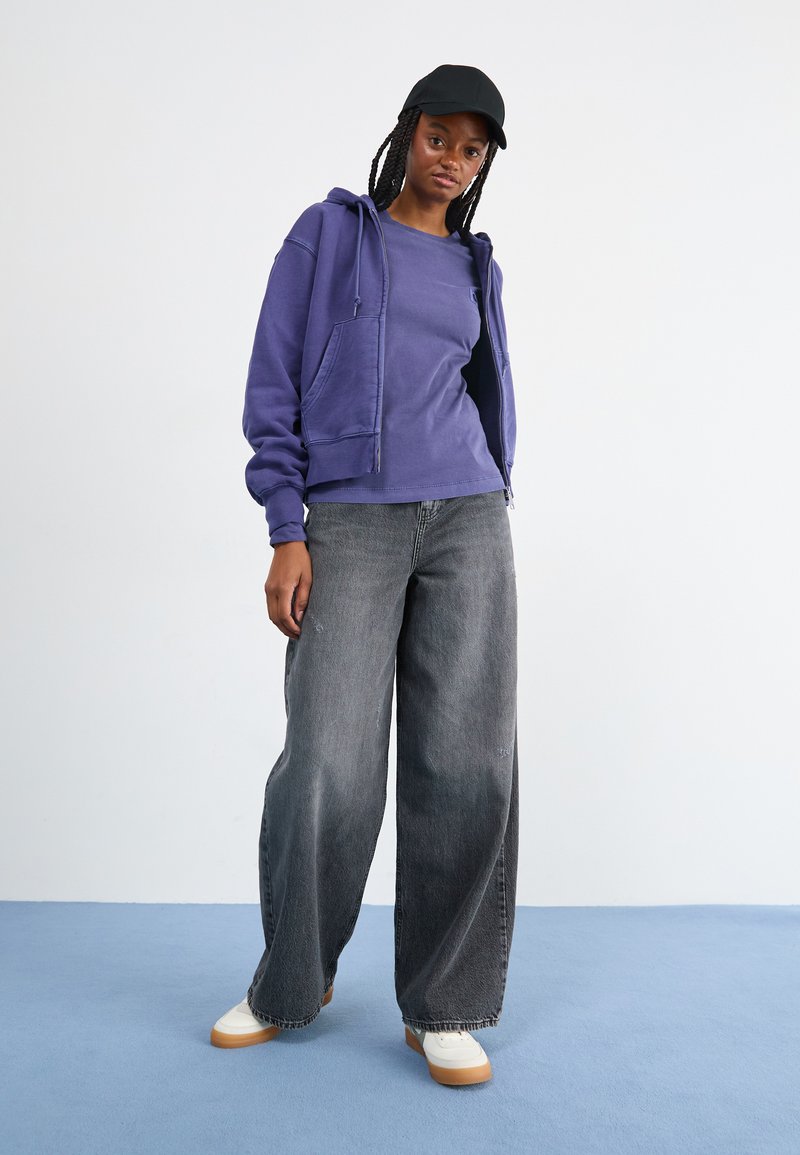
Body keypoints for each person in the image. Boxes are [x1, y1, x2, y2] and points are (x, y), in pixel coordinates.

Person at [210, 64, 519, 1087]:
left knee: (467, 764)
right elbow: (273, 379)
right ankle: (289, 982)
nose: (452, 160)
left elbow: (478, 391)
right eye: (439, 138)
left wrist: (494, 488)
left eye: (472, 149)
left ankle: (444, 1004)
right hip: (348, 521)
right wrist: (284, 525)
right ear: (405, 134)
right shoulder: (328, 235)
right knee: (326, 762)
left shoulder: (475, 265)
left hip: (467, 518)